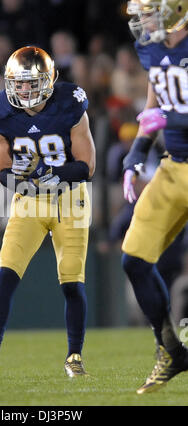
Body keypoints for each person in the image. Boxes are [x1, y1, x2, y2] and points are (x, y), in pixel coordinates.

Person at [0, 46, 95, 379]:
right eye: (18, 83)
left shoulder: (70, 103)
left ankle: (74, 356)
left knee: (71, 278)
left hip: (70, 197)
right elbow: (1, 165)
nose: (24, 90)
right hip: (31, 200)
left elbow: (87, 165)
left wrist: (54, 175)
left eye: (31, 82)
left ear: (50, 80)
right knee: (6, 273)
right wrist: (22, 185)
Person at [121, 0, 188, 394]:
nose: (143, 22)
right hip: (174, 165)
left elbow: (170, 112)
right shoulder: (149, 48)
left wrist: (171, 118)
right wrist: (136, 154)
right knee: (134, 260)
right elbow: (154, 107)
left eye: (149, 13)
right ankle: (171, 349)